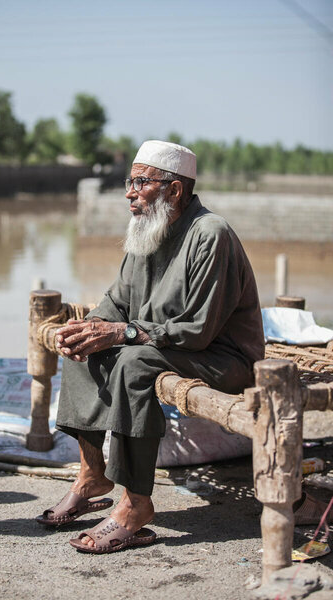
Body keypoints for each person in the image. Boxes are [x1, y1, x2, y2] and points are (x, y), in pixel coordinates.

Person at [36, 140, 265, 553]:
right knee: (84, 349)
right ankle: (92, 475)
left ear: (174, 190)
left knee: (133, 363)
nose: (129, 192)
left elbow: (197, 330)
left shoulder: (211, 234)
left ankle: (135, 504)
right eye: (131, 181)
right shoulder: (147, 228)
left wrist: (121, 333)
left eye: (140, 182)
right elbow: (117, 302)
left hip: (224, 358)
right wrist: (87, 329)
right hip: (175, 345)